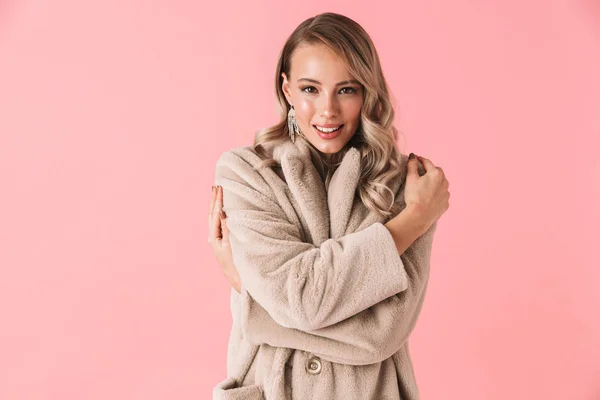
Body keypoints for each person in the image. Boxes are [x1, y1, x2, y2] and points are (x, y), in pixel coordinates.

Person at [208, 12, 450, 400]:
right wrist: (414, 221)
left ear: (367, 93)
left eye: (346, 90)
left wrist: (252, 298)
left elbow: (380, 333)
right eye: (310, 89)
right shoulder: (246, 172)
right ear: (287, 90)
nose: (327, 111)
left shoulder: (403, 186)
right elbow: (301, 301)